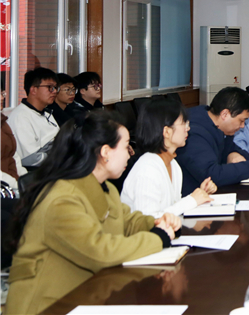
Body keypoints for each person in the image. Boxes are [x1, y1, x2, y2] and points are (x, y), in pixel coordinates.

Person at [5, 112, 180, 314]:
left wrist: (157, 222)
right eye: (126, 147)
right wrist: (157, 238)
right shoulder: (61, 199)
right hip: (47, 305)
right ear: (106, 152)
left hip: (83, 295)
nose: (130, 154)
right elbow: (99, 251)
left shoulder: (105, 188)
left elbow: (127, 221)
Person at [121, 99, 217, 217]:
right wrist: (192, 200)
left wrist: (200, 194)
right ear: (166, 132)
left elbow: (171, 208)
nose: (188, 128)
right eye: (183, 123)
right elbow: (148, 221)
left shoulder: (173, 165)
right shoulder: (147, 169)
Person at [175, 87, 249, 196]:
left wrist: (233, 154)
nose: (242, 126)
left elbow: (237, 150)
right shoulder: (193, 133)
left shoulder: (221, 128)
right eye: (241, 120)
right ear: (225, 114)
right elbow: (211, 174)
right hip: (190, 198)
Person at [7, 67, 60, 162]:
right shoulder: (21, 117)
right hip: (39, 169)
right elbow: (32, 159)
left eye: (56, 87)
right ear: (33, 90)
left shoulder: (47, 113)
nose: (55, 91)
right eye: (50, 87)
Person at [1, 82, 20, 180]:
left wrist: (26, 179)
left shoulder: (3, 122)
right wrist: (17, 184)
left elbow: (14, 156)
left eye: (2, 93)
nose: (2, 98)